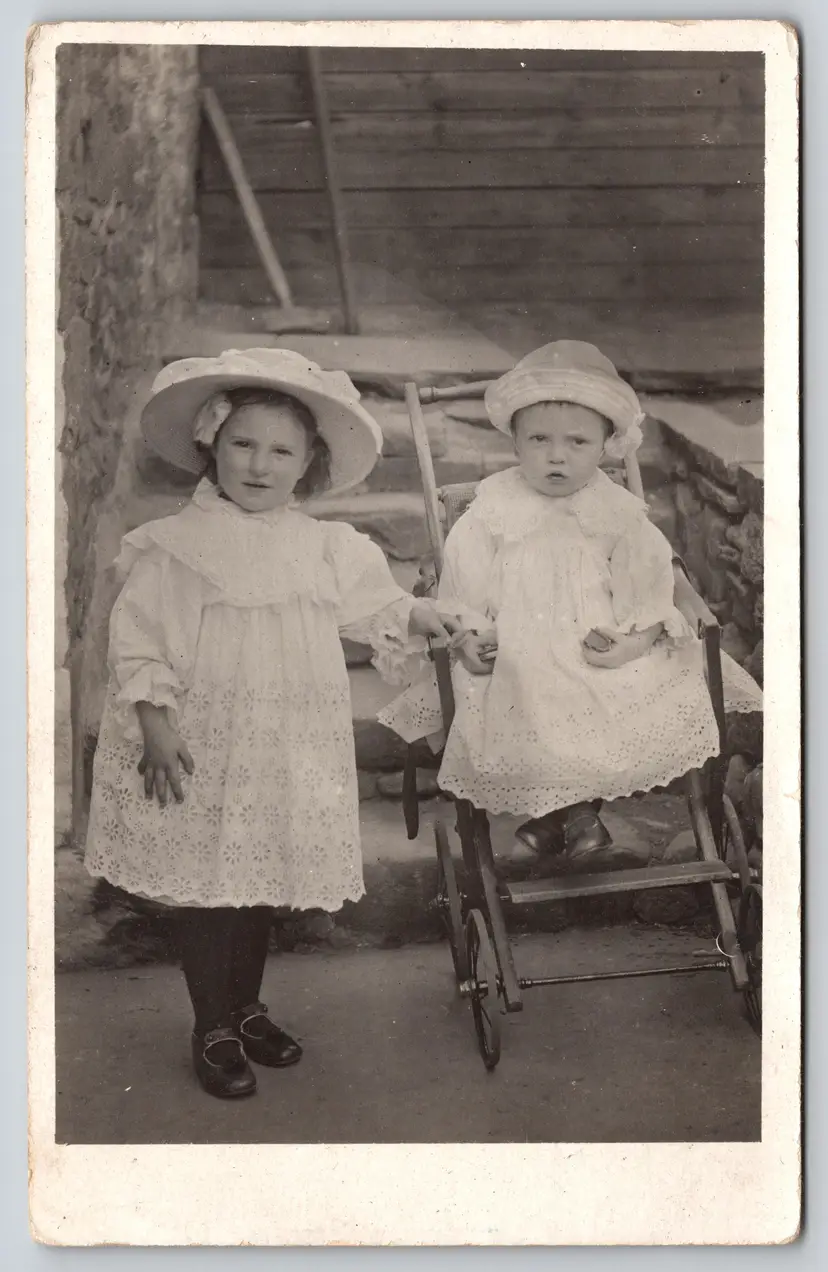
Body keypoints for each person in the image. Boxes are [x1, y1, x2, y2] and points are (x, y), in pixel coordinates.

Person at [84, 348, 457, 1099]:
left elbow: (374, 607)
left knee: (254, 875)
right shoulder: (175, 546)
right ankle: (210, 1023)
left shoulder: (322, 546)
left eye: (280, 450)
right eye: (242, 445)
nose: (259, 464)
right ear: (212, 447)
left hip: (282, 737)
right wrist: (155, 724)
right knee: (204, 878)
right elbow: (140, 639)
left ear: (308, 464)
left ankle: (247, 1007)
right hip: (199, 736)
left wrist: (424, 614)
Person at [379, 341, 762, 864]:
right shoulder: (493, 507)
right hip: (517, 641)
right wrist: (467, 638)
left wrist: (636, 640)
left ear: (606, 445)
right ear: (514, 441)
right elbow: (462, 583)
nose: (556, 455)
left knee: (622, 687)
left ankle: (559, 818)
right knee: (523, 685)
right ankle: (573, 817)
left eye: (577, 442)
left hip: (598, 640)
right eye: (538, 439)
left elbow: (649, 578)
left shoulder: (615, 508)